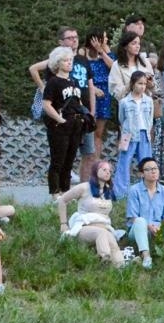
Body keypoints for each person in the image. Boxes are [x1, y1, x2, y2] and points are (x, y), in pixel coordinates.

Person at [40, 46, 92, 196]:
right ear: (57, 62)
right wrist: (59, 119)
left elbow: (78, 101)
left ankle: (66, 191)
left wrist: (84, 117)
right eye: (65, 60)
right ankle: (55, 192)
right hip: (60, 125)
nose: (69, 63)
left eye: (70, 60)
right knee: (58, 160)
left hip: (76, 124)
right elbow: (46, 104)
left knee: (70, 160)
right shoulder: (53, 82)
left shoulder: (74, 81)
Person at [56, 160, 126, 267]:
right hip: (84, 227)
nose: (108, 172)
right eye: (104, 169)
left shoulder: (108, 190)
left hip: (104, 227)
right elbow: (62, 200)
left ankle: (121, 268)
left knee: (113, 244)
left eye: (109, 171)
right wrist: (63, 223)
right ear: (95, 171)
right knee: (101, 233)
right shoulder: (84, 187)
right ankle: (104, 258)